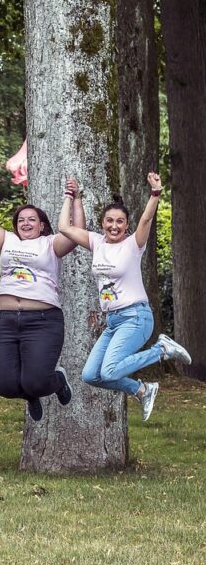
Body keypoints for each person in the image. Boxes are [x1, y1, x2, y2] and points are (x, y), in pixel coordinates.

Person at [57, 174, 191, 420]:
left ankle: (162, 349)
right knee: (91, 375)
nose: (114, 226)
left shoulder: (133, 244)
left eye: (120, 222)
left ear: (127, 225)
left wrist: (156, 193)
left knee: (108, 372)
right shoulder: (96, 242)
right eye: (109, 221)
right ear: (103, 222)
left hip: (135, 317)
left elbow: (147, 218)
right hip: (113, 321)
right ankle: (141, 390)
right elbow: (65, 228)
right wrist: (72, 196)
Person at [0, 166, 81, 421]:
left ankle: (57, 381)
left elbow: (77, 233)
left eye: (32, 219)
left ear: (42, 226)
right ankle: (30, 396)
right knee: (3, 385)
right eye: (21, 219)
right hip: (6, 321)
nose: (25, 222)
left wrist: (75, 199)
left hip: (43, 321)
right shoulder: (6, 241)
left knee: (36, 381)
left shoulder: (51, 244)